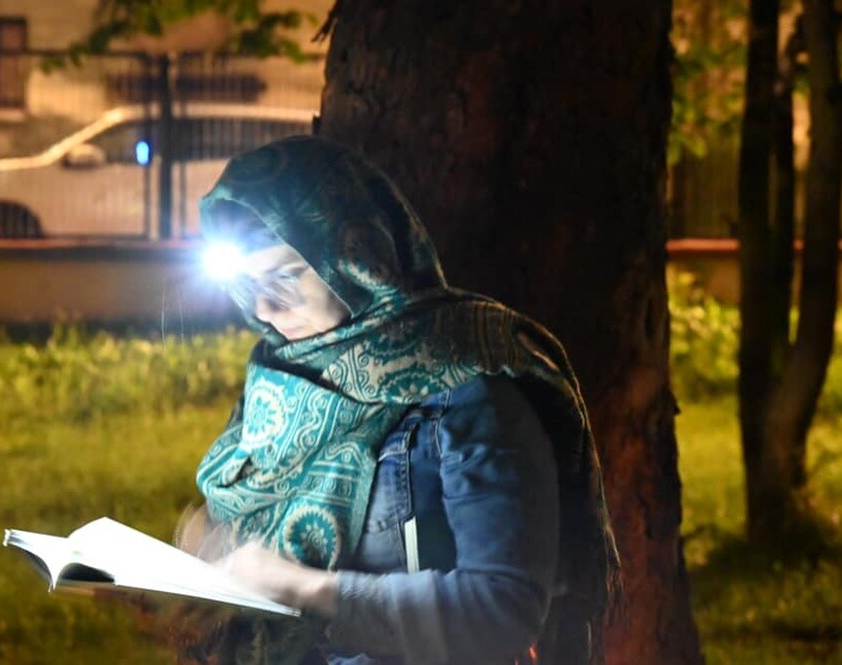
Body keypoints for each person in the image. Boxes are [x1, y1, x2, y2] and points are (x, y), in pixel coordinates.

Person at [179, 135, 619, 665]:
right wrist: (209, 562)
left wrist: (303, 588)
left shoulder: (467, 382)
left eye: (285, 278)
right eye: (249, 286)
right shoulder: (279, 378)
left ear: (352, 255)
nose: (266, 309)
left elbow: (502, 609)